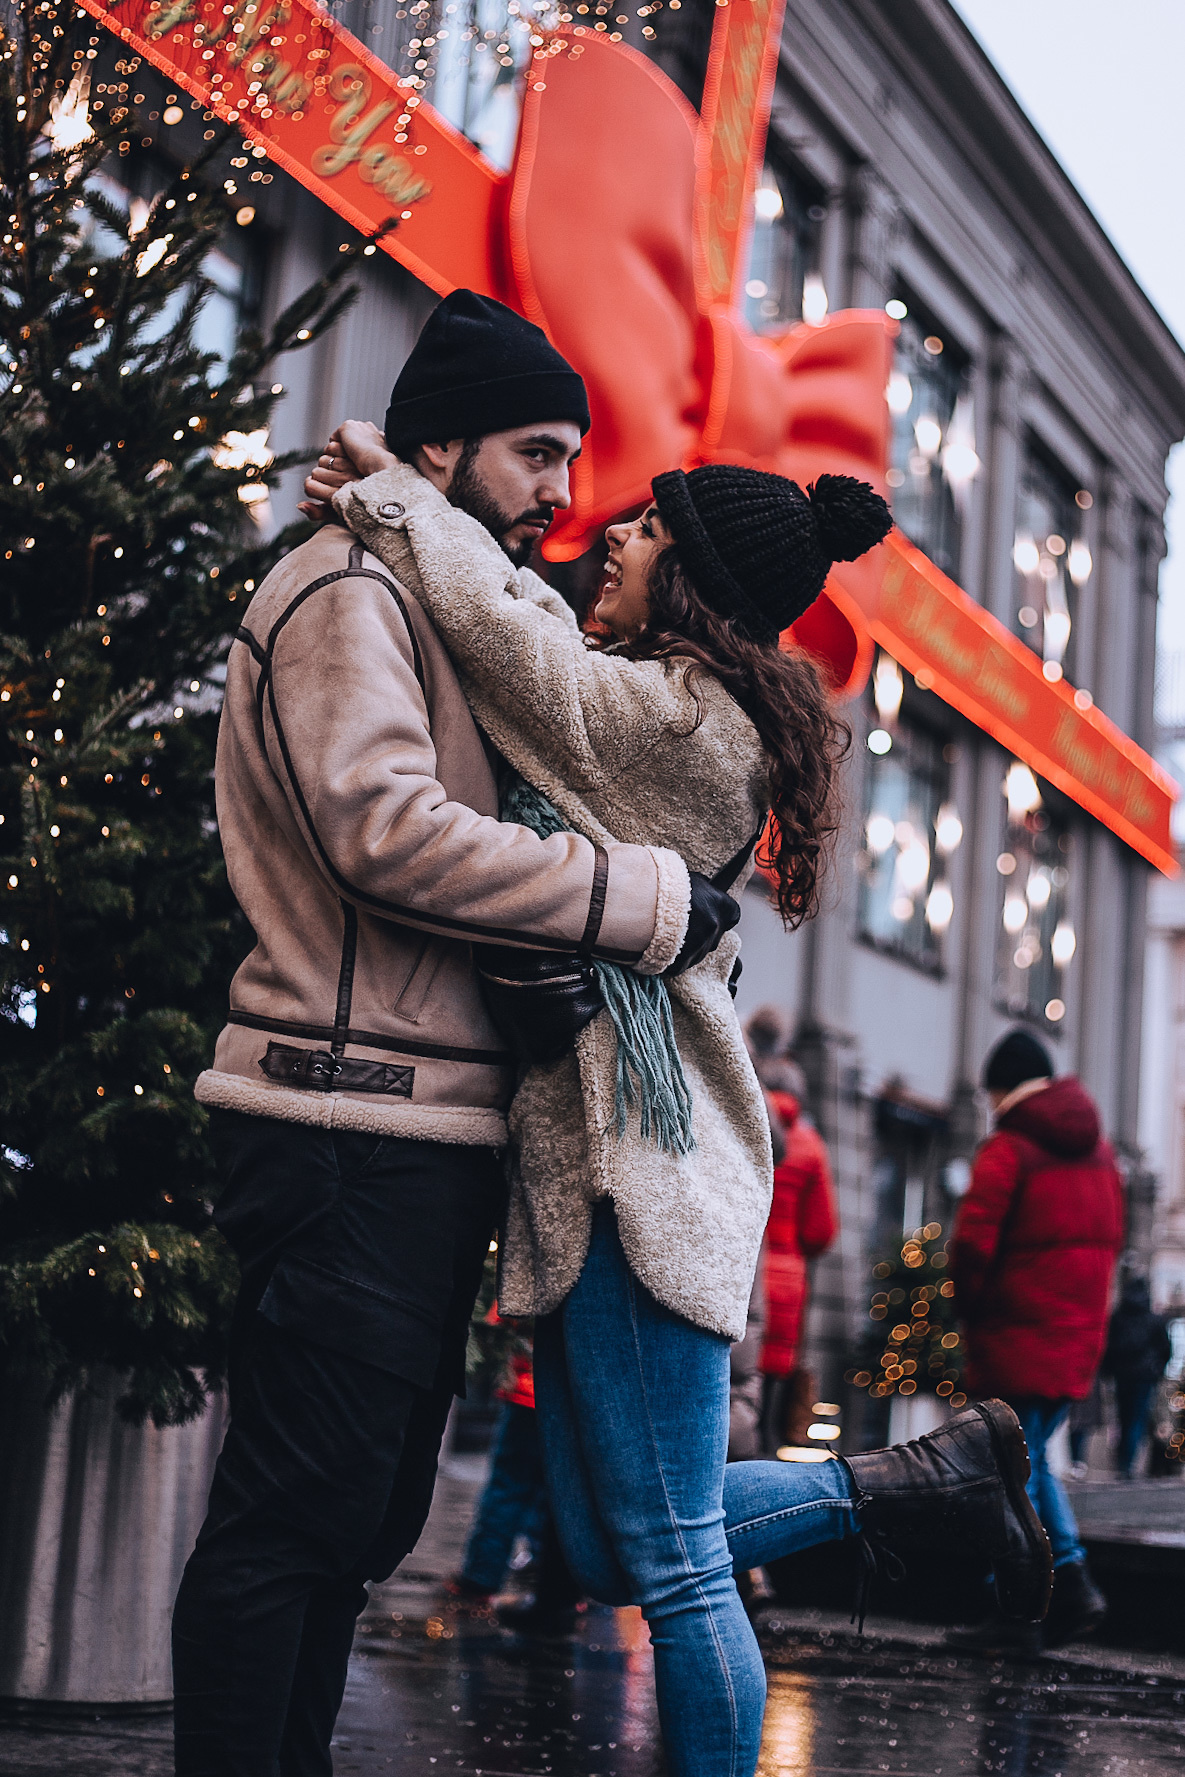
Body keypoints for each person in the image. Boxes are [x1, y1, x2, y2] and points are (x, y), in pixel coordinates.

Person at [309, 423, 1053, 1777]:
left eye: (646, 530)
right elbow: (541, 637)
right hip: (617, 1162)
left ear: (694, 581)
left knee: (673, 1565)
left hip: (635, 1171)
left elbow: (511, 642)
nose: (612, 537)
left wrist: (394, 491)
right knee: (608, 1543)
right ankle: (907, 1484)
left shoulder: (672, 726)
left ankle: (915, 1488)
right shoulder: (660, 704)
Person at [171, 290, 740, 1777]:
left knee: (348, 1525)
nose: (565, 493)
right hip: (340, 1113)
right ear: (444, 445)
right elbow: (387, 831)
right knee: (293, 1525)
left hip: (411, 1125)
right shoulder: (346, 590)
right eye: (539, 453)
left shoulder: (436, 589)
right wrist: (637, 897)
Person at [947, 1028, 1124, 1653]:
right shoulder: (1101, 1155)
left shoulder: (1009, 1148)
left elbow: (970, 1244)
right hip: (1074, 1337)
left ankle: (1060, 1586)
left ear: (1002, 1087)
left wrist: (971, 1311)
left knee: (1013, 1466)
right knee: (1021, 1464)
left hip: (1015, 1338)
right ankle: (1038, 1598)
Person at [450, 1318, 583, 1633]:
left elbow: (503, 1317)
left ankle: (480, 1578)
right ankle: (562, 1590)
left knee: (508, 1486)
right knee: (561, 1494)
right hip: (573, 1396)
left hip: (529, 1388)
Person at [744, 1022, 839, 1454]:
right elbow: (822, 1232)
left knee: (734, 1392)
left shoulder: (744, 1122)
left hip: (743, 1272)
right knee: (770, 1413)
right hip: (786, 1284)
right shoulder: (810, 1145)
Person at [1103, 1275, 1171, 1479]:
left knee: (1123, 1418)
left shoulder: (1118, 1317)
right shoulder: (1153, 1319)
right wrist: (1157, 1369)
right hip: (1144, 1376)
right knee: (1136, 1419)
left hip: (1122, 1375)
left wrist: (1109, 1371)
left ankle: (1123, 1462)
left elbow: (1109, 1347)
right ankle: (1128, 1463)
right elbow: (1166, 1349)